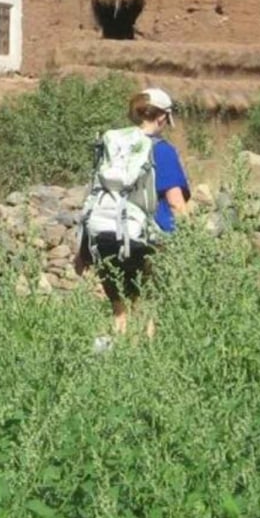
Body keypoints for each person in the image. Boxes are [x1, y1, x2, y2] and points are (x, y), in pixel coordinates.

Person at [75, 88, 191, 338]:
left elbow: (95, 194)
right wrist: (193, 242)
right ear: (162, 117)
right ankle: (145, 364)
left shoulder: (113, 146)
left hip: (108, 235)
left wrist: (83, 249)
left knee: (120, 312)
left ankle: (115, 363)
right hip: (151, 240)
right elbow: (176, 203)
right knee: (148, 310)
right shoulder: (161, 150)